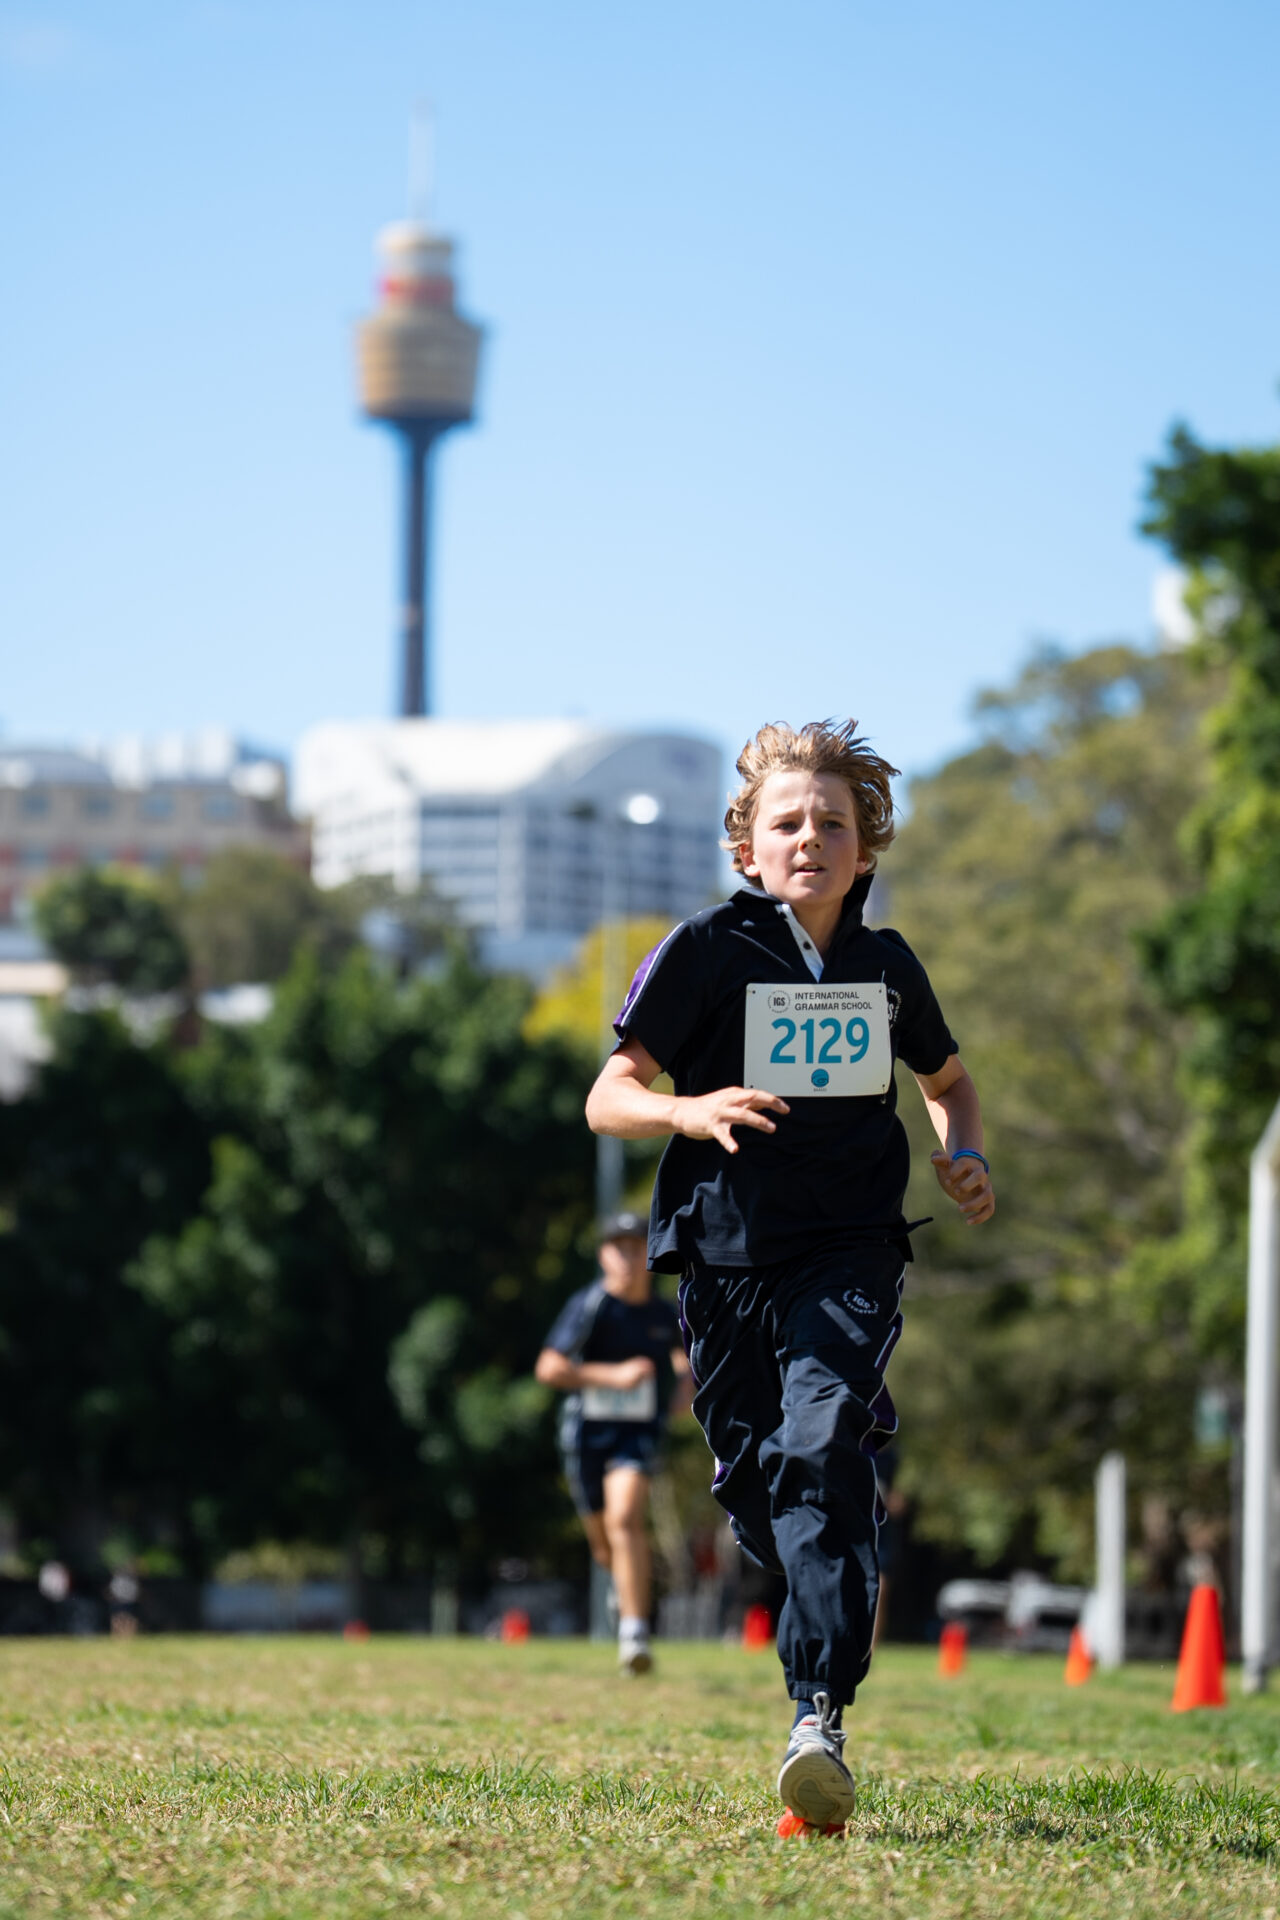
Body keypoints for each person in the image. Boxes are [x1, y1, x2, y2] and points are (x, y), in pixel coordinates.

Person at [584, 719, 995, 1832]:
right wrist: (688, 1109)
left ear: (865, 849)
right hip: (725, 1262)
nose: (809, 838)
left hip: (850, 1249)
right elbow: (607, 1097)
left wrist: (963, 1153)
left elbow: (948, 1084)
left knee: (821, 1444)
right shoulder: (704, 951)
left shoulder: (887, 967)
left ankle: (817, 1717)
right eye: (787, 823)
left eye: (832, 823)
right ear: (747, 849)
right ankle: (824, 1534)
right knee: (771, 1495)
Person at [535, 1211, 691, 1675]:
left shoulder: (664, 1312)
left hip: (637, 1432)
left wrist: (685, 1386)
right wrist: (613, 1376)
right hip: (586, 1432)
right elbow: (549, 1368)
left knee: (626, 1518)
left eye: (636, 1248)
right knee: (604, 1543)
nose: (627, 1257)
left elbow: (684, 1357)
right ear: (603, 1256)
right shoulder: (590, 1305)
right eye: (617, 1248)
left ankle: (634, 1634)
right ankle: (621, 1587)